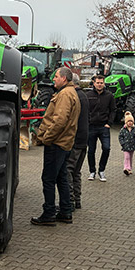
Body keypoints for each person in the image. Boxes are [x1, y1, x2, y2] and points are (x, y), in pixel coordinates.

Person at [31, 67, 81, 226]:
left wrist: (46, 138)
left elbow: (59, 121)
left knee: (48, 178)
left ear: (64, 79)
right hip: (65, 143)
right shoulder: (71, 93)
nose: (54, 79)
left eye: (56, 77)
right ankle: (65, 211)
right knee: (61, 177)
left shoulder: (65, 95)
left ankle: (49, 213)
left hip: (57, 144)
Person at [85, 74, 116, 182]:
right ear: (94, 83)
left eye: (101, 83)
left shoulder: (109, 96)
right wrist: (87, 122)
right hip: (91, 126)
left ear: (104, 84)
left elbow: (113, 110)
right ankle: (92, 171)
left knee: (106, 149)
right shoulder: (88, 95)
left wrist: (109, 123)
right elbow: (84, 109)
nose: (99, 85)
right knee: (91, 151)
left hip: (104, 127)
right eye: (97, 83)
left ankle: (101, 170)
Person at [66, 73, 89, 209]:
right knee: (76, 171)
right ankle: (77, 200)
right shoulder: (84, 96)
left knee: (68, 169)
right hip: (83, 139)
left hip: (75, 139)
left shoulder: (75, 97)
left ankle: (70, 201)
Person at [118, 111, 135, 175]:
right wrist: (123, 143)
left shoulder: (134, 129)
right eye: (128, 121)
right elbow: (120, 137)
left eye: (131, 121)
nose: (130, 123)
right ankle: (125, 168)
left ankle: (129, 169)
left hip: (132, 146)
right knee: (126, 157)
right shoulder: (123, 130)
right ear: (126, 122)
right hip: (125, 146)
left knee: (130, 158)